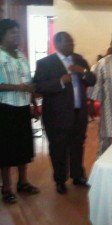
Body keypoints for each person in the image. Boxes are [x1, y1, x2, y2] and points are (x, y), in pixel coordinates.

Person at [33, 32, 96, 194]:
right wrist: (60, 82)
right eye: (68, 42)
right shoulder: (45, 63)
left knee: (77, 145)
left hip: (78, 112)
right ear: (57, 44)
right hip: (56, 115)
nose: (72, 44)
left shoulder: (79, 60)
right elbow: (38, 87)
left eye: (72, 41)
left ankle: (77, 176)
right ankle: (60, 180)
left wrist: (82, 71)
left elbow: (92, 80)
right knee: (58, 147)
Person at [0, 19, 39, 203]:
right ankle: (6, 187)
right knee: (6, 149)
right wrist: (17, 87)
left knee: (23, 146)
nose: (16, 35)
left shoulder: (21, 55)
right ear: (2, 35)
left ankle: (23, 182)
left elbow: (28, 82)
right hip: (5, 109)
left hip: (23, 107)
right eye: (12, 33)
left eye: (18, 32)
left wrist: (33, 104)